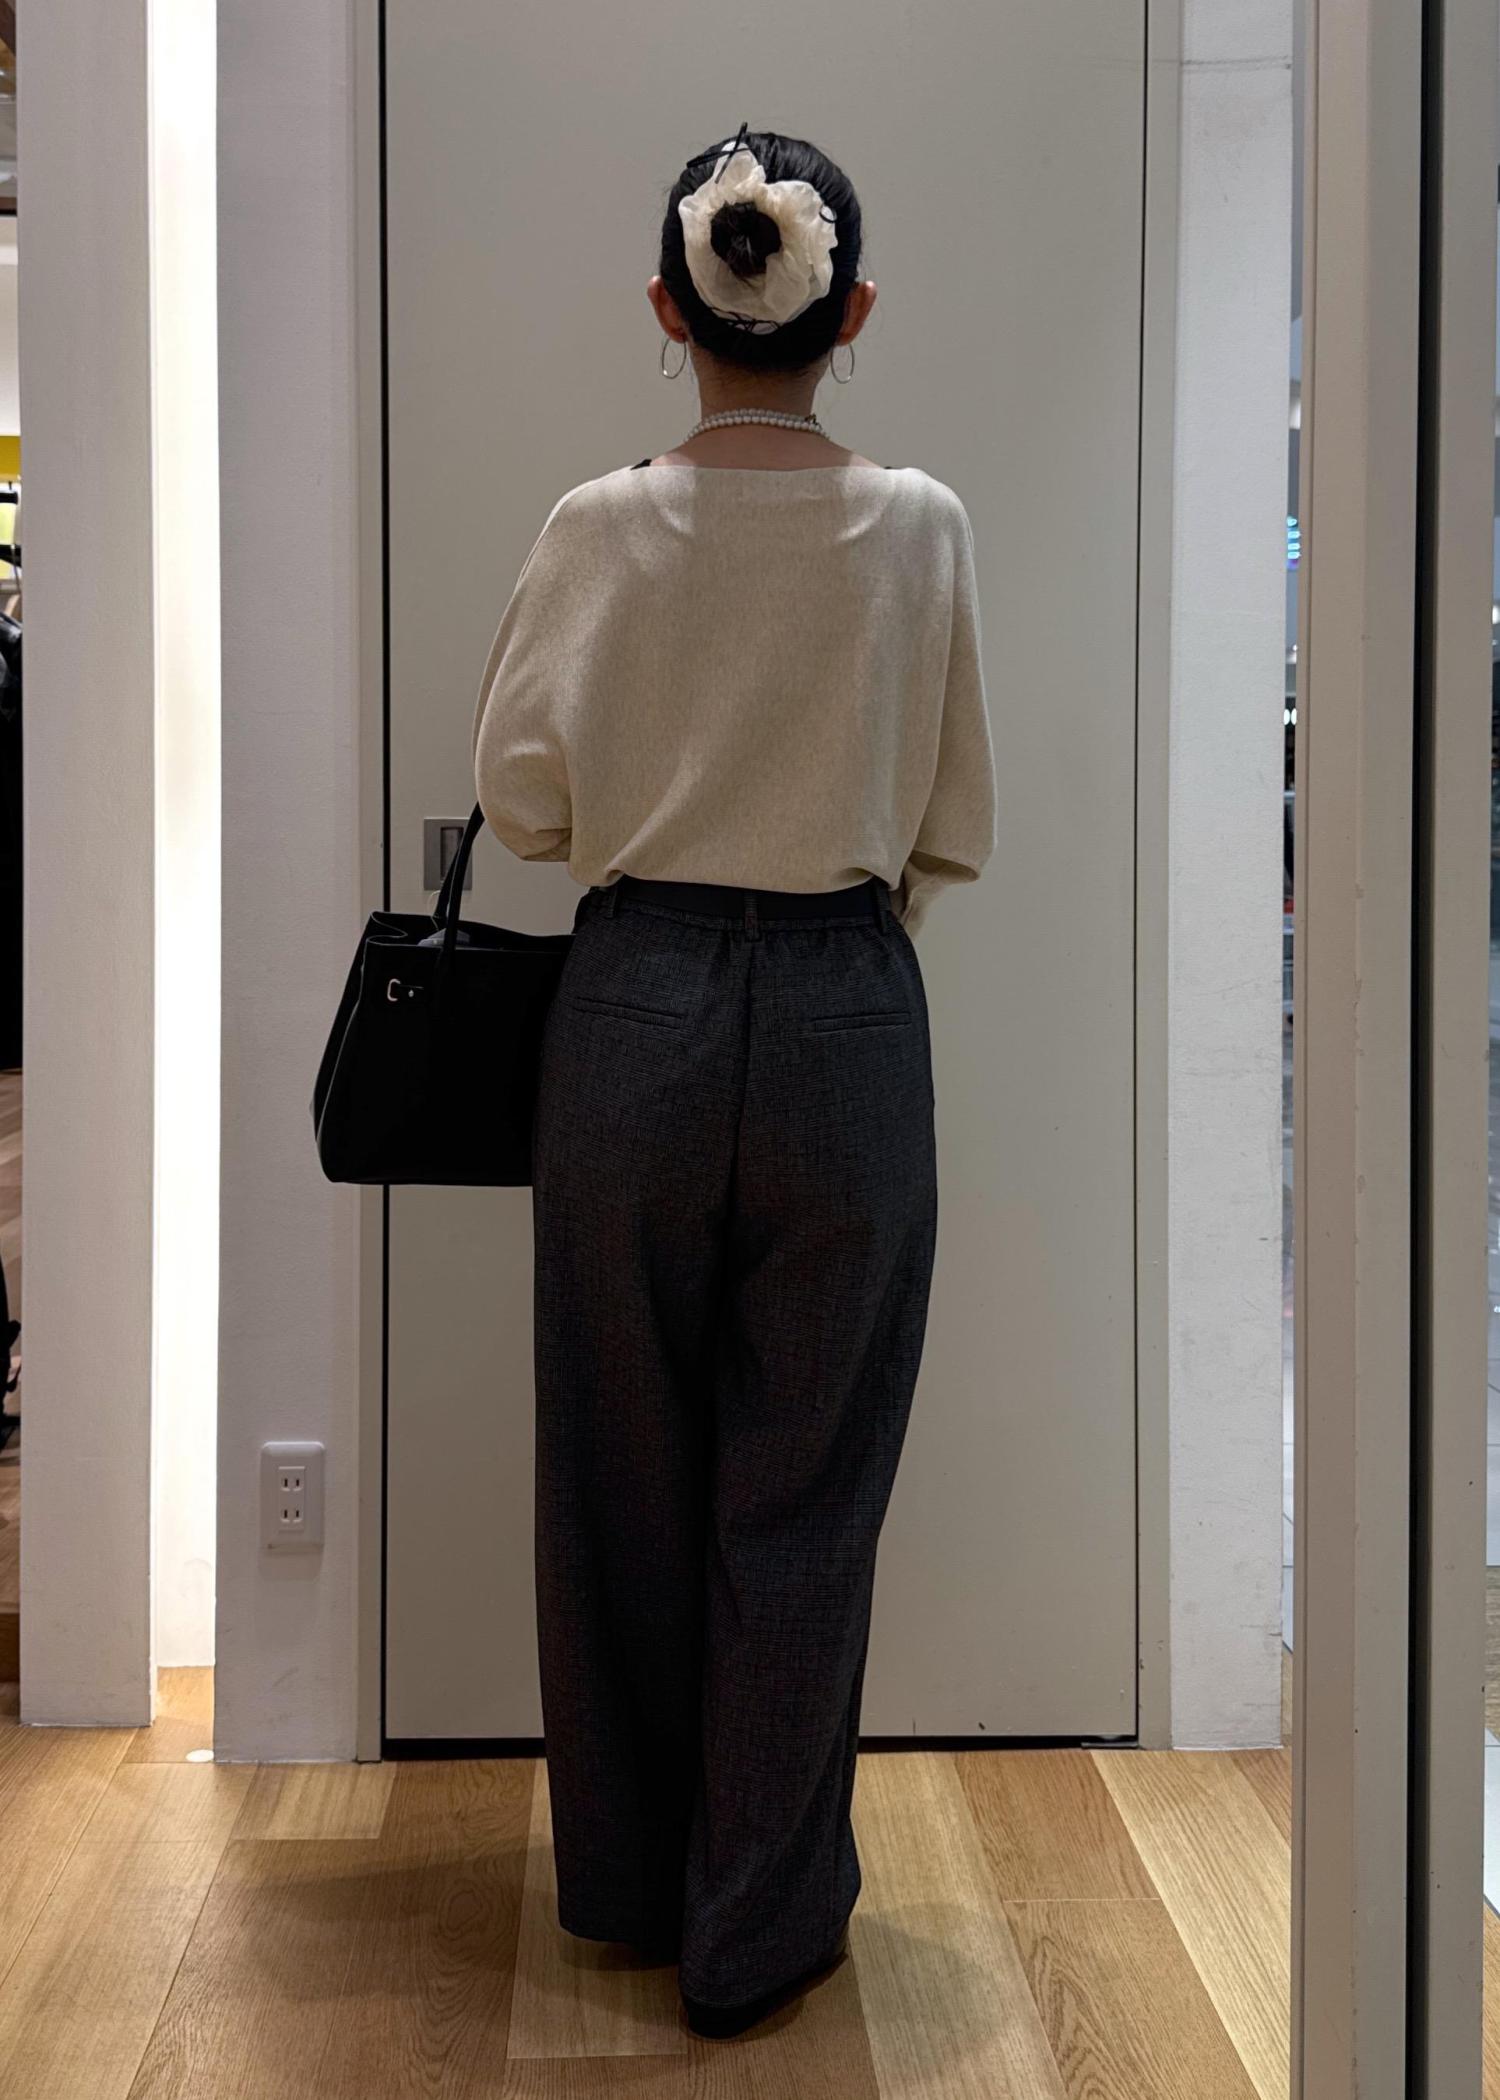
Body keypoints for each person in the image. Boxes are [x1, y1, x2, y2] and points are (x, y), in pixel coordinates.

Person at [472, 122, 996, 2040]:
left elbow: (525, 808)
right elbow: (950, 816)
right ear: (851, 315)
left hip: (634, 1010)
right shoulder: (921, 524)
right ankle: (757, 1927)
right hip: (850, 1008)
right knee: (810, 1481)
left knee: (618, 1466)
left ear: (665, 306)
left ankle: (627, 1886)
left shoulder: (593, 525)